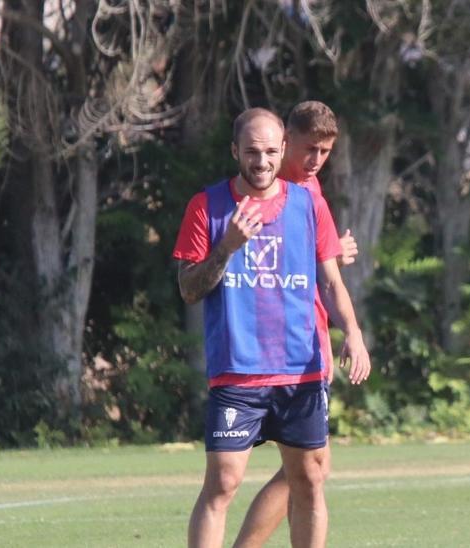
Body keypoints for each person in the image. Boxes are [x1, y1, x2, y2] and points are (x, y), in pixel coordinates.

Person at [174, 108, 371, 548]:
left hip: (300, 372)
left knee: (309, 482)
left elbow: (331, 281)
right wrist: (227, 247)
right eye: (250, 152)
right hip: (238, 370)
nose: (260, 161)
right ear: (235, 152)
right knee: (222, 485)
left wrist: (353, 334)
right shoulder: (206, 206)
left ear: (282, 152)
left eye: (268, 152)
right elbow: (188, 288)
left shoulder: (308, 204)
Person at [232, 101, 359, 548]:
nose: (316, 159)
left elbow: (309, 248)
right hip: (278, 340)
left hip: (312, 335)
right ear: (286, 141)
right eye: (309, 149)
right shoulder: (271, 182)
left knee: (309, 468)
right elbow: (262, 255)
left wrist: (330, 251)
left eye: (325, 151)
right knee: (306, 468)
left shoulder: (310, 185)